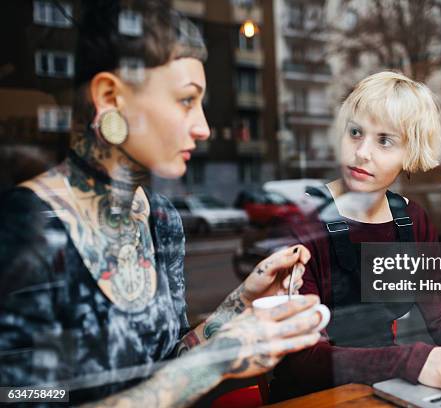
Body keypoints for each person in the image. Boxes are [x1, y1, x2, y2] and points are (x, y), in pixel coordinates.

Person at [0, 1, 322, 406]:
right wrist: (212, 364)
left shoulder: (161, 220)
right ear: (110, 96)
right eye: (187, 100)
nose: (204, 127)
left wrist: (241, 304)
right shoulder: (27, 230)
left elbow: (170, 363)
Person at [271, 72, 441, 404]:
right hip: (314, 397)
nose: (362, 152)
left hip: (387, 386)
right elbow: (303, 361)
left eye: (385, 140)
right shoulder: (301, 223)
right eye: (355, 132)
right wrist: (414, 360)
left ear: (410, 152)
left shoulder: (411, 220)